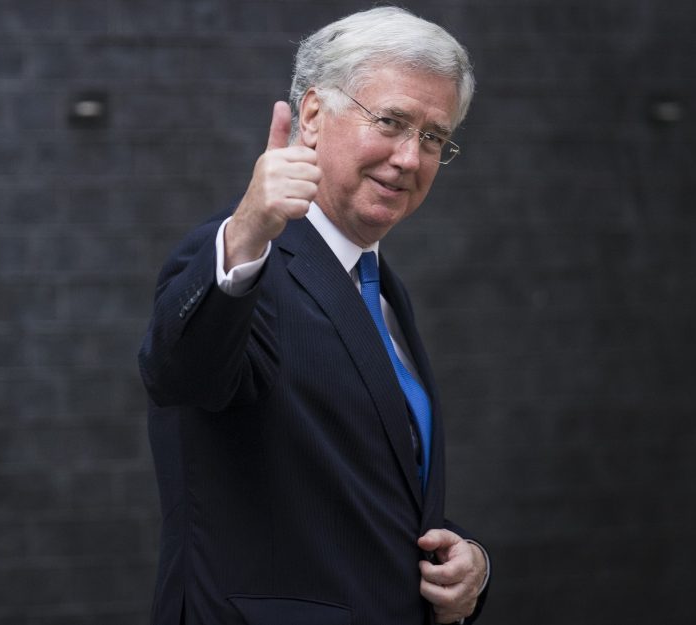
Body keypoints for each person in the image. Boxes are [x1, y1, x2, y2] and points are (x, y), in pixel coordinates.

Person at [138, 7, 489, 624]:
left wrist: (467, 562)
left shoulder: (382, 291)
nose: (410, 158)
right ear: (312, 117)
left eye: (433, 137)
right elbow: (180, 375)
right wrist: (248, 231)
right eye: (391, 121)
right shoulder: (240, 260)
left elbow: (359, 494)